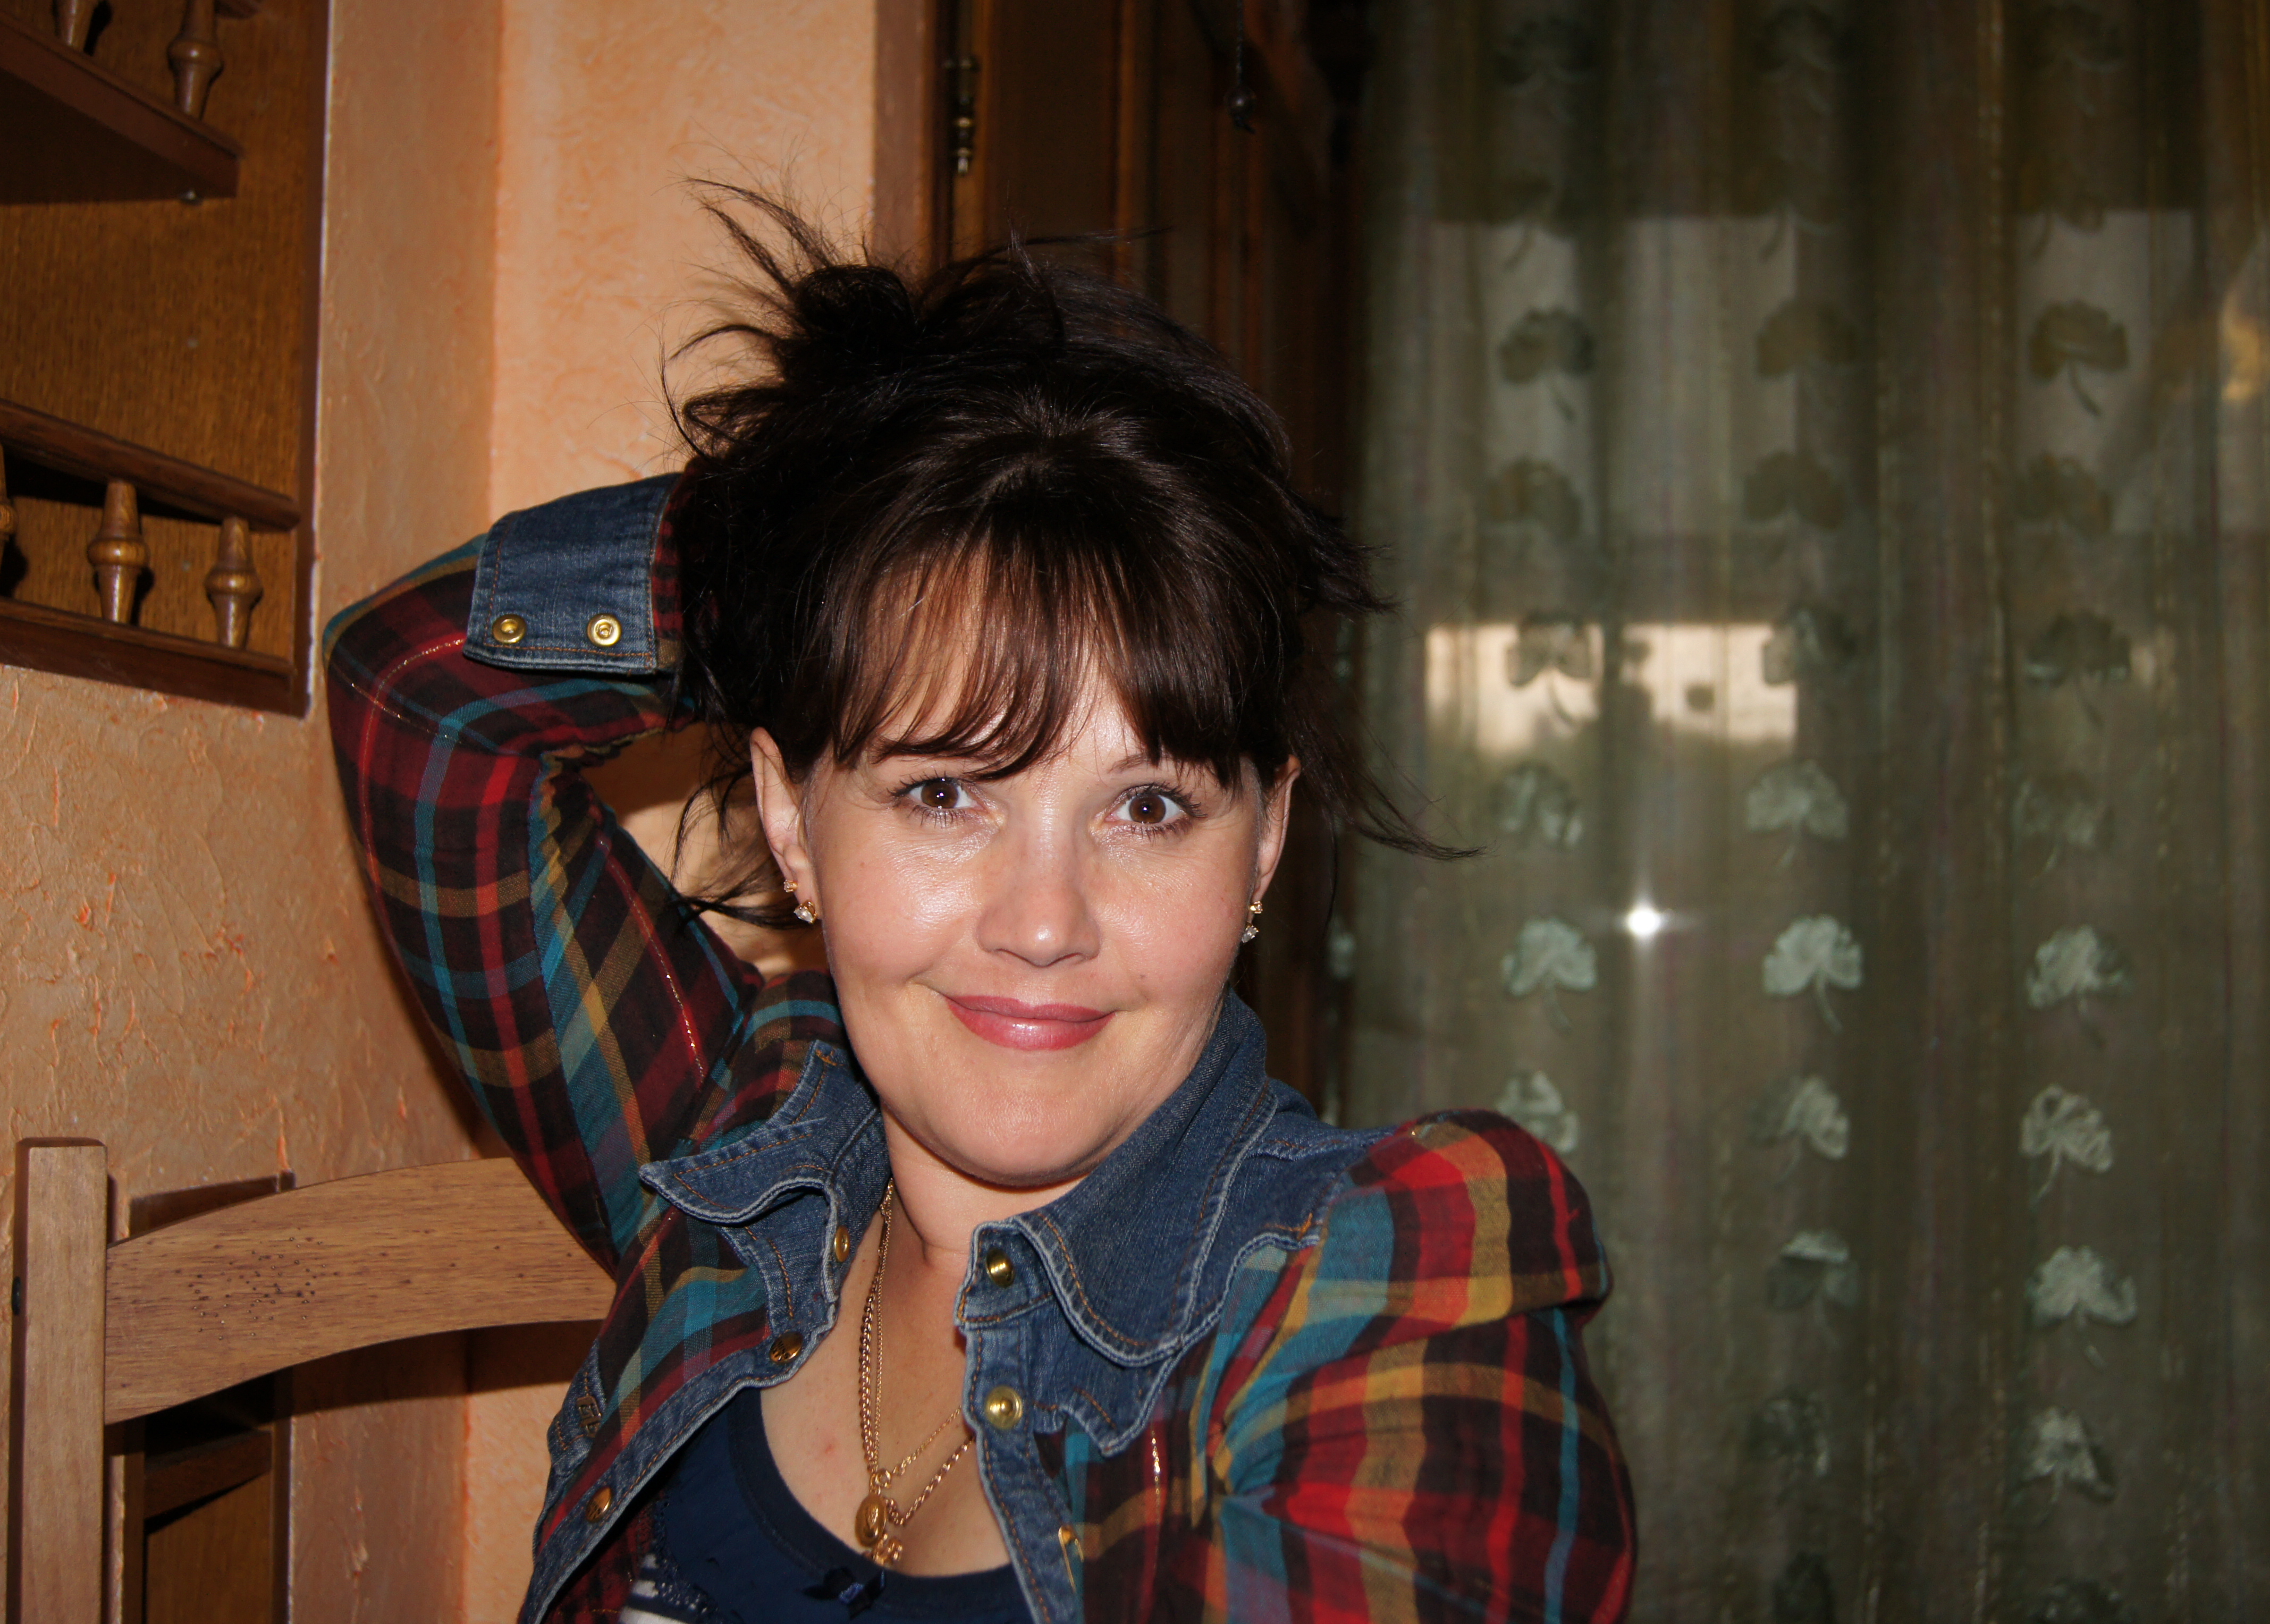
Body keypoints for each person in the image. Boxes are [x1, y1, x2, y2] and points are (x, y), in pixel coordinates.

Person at [325, 201, 1633, 1624]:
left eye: (1149, 807)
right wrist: (843, 525)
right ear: (790, 818)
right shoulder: (738, 1144)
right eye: (945, 792)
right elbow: (418, 692)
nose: (1044, 920)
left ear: (1263, 844)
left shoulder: (1385, 1291)